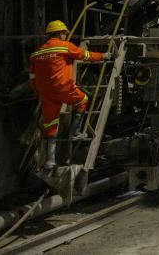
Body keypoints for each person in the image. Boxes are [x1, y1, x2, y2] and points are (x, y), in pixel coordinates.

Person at [29, 20, 109, 169]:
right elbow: (85, 55)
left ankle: (50, 161)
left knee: (51, 124)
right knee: (82, 100)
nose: (65, 35)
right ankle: (75, 132)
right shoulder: (65, 46)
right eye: (64, 33)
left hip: (45, 92)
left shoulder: (36, 53)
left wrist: (37, 92)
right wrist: (103, 56)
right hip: (63, 88)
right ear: (59, 33)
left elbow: (32, 77)